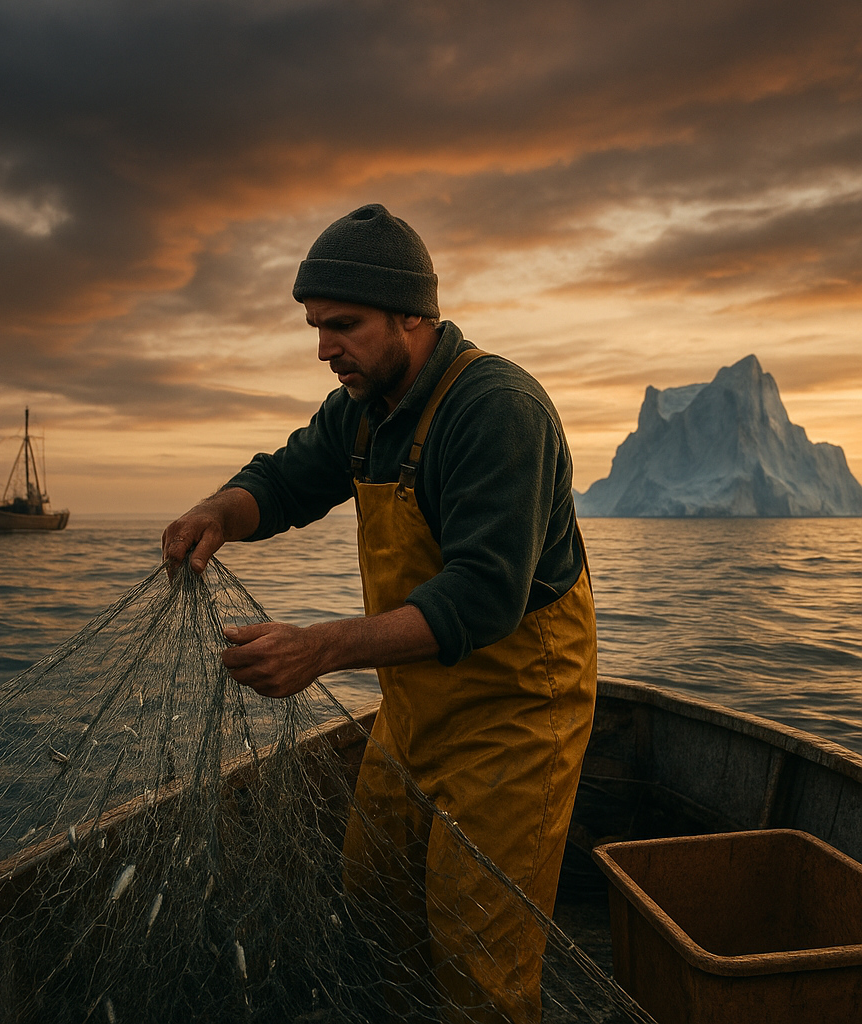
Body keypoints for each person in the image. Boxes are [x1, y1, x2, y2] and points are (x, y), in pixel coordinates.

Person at [162, 203, 596, 1022]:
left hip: (516, 715)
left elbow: (482, 596)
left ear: (413, 316)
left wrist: (319, 649)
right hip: (414, 711)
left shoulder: (495, 410)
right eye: (315, 327)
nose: (324, 348)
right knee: (376, 905)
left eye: (343, 325)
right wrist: (221, 511)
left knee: (479, 955)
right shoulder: (363, 408)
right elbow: (285, 479)